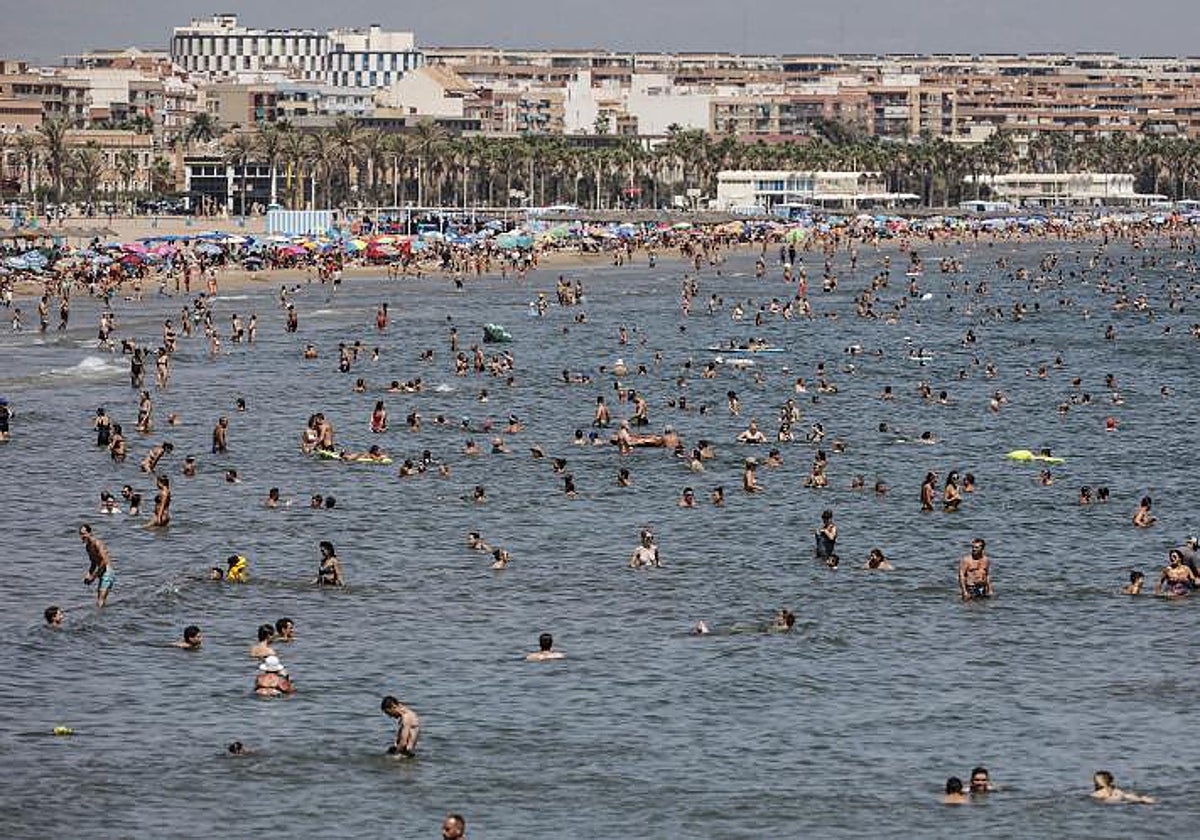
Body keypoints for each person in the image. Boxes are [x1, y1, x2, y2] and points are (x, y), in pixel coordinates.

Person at [80, 524, 114, 608]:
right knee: (100, 599)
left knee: (100, 600)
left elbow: (104, 561)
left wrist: (93, 576)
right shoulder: (88, 547)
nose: (82, 536)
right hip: (100, 571)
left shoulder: (97, 543)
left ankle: (99, 617)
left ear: (90, 533)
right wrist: (88, 575)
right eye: (80, 534)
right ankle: (103, 616)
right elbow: (93, 563)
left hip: (107, 571)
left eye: (84, 533)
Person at [1090, 770, 1154, 804]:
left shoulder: (1097, 793)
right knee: (1133, 798)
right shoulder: (1117, 790)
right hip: (1122, 794)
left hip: (1113, 799)